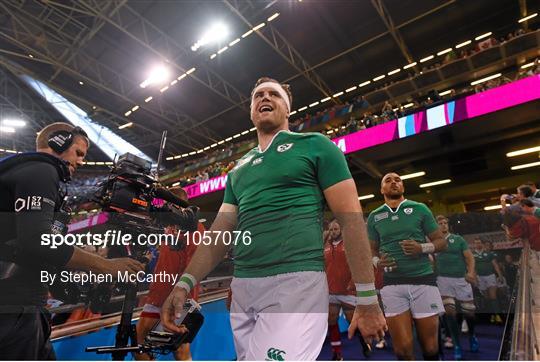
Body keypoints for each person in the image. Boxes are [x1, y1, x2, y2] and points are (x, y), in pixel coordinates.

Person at [161, 77, 387, 360]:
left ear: (288, 108)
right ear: (252, 110)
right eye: (258, 95)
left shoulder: (316, 146)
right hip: (244, 287)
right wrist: (183, 283)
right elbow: (220, 233)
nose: (265, 98)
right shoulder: (238, 170)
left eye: (274, 94)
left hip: (297, 284)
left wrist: (367, 298)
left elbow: (352, 221)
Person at [0, 122, 144, 360]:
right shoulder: (41, 170)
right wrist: (107, 265)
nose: (81, 161)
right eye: (78, 152)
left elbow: (33, 250)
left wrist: (69, 284)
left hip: (21, 307)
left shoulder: (27, 173)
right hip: (14, 309)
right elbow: (37, 240)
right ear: (59, 142)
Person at [367, 172, 446, 361]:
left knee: (430, 347)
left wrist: (421, 248)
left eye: (398, 180)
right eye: (388, 180)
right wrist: (378, 262)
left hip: (423, 282)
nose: (394, 182)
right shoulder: (374, 216)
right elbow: (371, 252)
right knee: (402, 351)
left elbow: (441, 242)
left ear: (402, 186)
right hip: (392, 285)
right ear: (381, 189)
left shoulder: (420, 209)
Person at [135, 187, 202, 361]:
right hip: (157, 295)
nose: (165, 207)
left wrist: (183, 296)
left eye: (168, 203)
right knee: (140, 344)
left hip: (178, 298)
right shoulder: (168, 228)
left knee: (179, 349)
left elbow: (195, 264)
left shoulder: (195, 227)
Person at [324, 219, 371, 360]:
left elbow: (359, 265)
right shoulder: (325, 246)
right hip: (331, 292)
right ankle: (336, 353)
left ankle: (364, 343)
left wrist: (353, 283)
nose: (333, 232)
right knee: (331, 321)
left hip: (348, 292)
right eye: (331, 230)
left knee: (353, 321)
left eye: (336, 229)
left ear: (341, 230)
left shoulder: (351, 245)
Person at [435, 215, 478, 360]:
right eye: (440, 223)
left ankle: (472, 335)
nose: (444, 225)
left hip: (461, 279)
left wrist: (471, 272)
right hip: (443, 280)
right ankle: (457, 344)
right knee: (450, 312)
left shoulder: (458, 239)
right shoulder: (433, 242)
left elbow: (469, 257)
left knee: (469, 313)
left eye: (445, 223)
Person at [472, 238, 504, 324]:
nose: (478, 245)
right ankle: (491, 317)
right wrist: (475, 279)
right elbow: (472, 268)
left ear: (482, 244)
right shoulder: (472, 255)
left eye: (479, 243)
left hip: (490, 276)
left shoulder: (489, 254)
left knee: (493, 296)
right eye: (476, 243)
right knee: (486, 298)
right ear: (474, 245)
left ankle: (498, 317)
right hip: (480, 277)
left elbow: (495, 265)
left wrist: (500, 275)